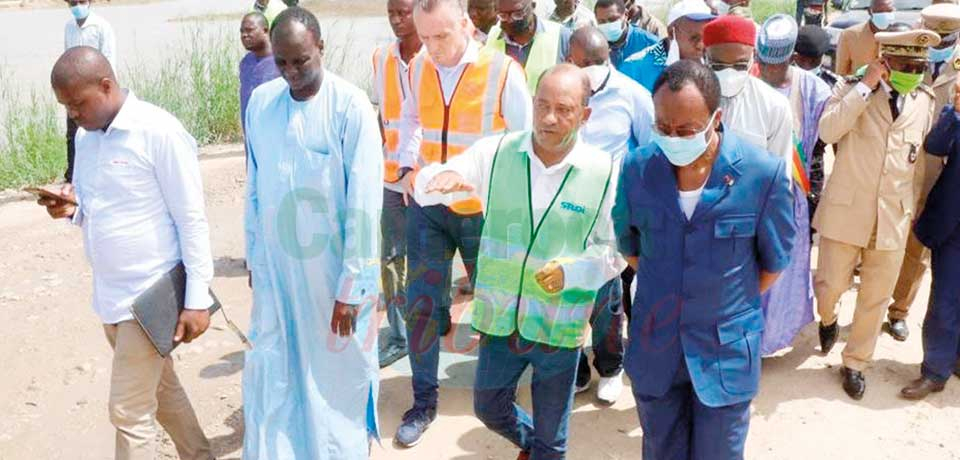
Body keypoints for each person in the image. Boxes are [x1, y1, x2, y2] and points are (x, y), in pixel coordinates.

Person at [417, 63, 620, 460]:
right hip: (500, 317)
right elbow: (455, 169)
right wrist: (443, 176)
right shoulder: (497, 152)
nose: (548, 118)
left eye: (563, 110)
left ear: (585, 115)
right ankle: (536, 447)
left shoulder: (603, 172)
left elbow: (614, 251)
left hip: (558, 327)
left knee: (553, 436)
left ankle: (545, 450)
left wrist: (573, 273)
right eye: (542, 105)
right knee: (488, 407)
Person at [615, 60, 796, 460]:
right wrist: (671, 280)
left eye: (685, 130)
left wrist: (719, 298)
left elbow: (774, 262)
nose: (672, 137)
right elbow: (628, 243)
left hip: (724, 354)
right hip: (656, 348)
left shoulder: (761, 174)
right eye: (663, 128)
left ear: (717, 117)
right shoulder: (637, 168)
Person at [42, 46, 214, 460]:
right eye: (65, 106)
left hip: (149, 297)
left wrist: (197, 301)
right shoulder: (86, 139)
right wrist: (71, 208)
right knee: (161, 390)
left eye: (78, 103)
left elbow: (192, 220)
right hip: (110, 297)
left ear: (106, 86)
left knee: (129, 410)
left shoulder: (160, 132)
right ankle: (200, 455)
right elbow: (98, 207)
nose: (73, 115)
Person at [242, 8, 382, 458]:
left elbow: (364, 202)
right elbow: (255, 191)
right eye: (282, 62)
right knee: (277, 373)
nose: (290, 72)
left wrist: (353, 287)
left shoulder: (350, 105)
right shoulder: (262, 103)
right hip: (278, 274)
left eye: (300, 60)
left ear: (321, 47)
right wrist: (256, 261)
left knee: (335, 379)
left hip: (332, 278)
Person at [394, 0, 532, 447]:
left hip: (481, 213)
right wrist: (409, 170)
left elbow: (525, 144)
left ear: (467, 25)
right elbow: (411, 120)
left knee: (494, 309)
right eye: (426, 37)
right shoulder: (418, 67)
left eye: (442, 36)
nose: (433, 47)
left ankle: (500, 399)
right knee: (421, 304)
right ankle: (423, 402)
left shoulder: (504, 72)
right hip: (429, 208)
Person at [815, 27, 939, 400]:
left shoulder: (924, 100)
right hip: (847, 211)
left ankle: (856, 363)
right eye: (906, 64)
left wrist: (913, 209)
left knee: (875, 297)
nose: (913, 72)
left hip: (893, 217)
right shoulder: (851, 90)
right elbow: (828, 129)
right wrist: (865, 87)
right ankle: (828, 318)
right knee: (829, 287)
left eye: (919, 65)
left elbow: (914, 163)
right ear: (885, 61)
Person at [565, 26, 653, 403]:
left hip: (611, 214)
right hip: (565, 210)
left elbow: (652, 149)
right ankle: (578, 369)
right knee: (568, 293)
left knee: (607, 298)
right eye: (583, 63)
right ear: (571, 61)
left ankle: (611, 366)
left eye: (597, 63)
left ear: (608, 60)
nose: (590, 70)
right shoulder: (561, 90)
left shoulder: (633, 95)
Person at [756, 14, 832, 353]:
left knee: (784, 270)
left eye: (776, 64)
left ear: (792, 57)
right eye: (764, 63)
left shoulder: (814, 89)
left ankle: (776, 335)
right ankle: (751, 339)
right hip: (752, 195)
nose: (769, 71)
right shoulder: (748, 81)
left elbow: (823, 141)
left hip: (791, 194)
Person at [887, 3, 960, 342]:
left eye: (946, 37)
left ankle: (899, 310)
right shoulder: (908, 48)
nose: (939, 43)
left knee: (918, 248)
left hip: (935, 172)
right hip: (895, 161)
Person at [900, 79, 960, 400]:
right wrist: (954, 114)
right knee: (945, 298)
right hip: (954, 225)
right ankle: (935, 371)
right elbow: (934, 146)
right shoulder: (957, 113)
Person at [372, 0, 423, 368]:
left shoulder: (437, 57)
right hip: (392, 179)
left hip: (433, 179)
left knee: (433, 257)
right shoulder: (380, 58)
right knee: (391, 258)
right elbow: (381, 113)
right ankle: (400, 334)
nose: (396, 20)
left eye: (403, 12)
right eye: (392, 13)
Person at [63, 0, 116, 183]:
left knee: (98, 132)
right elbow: (67, 59)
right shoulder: (69, 27)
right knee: (73, 134)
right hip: (73, 90)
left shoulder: (101, 26)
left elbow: (109, 59)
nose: (77, 5)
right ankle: (73, 176)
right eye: (73, 2)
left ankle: (102, 173)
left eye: (81, 1)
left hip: (94, 92)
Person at [793, 24, 838, 220]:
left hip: (813, 167)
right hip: (782, 159)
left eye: (813, 61)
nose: (807, 66)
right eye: (802, 61)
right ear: (795, 57)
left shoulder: (833, 86)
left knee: (808, 221)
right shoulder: (781, 79)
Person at [620, 0, 714, 92]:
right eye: (694, 38)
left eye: (706, 36)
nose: (701, 45)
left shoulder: (716, 65)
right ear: (671, 33)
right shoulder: (634, 68)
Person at [486, 0, 571, 93]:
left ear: (533, 6)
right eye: (503, 16)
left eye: (518, 14)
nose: (510, 20)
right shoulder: (489, 37)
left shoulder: (562, 37)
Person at [239, 12, 280, 133]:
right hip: (251, 135)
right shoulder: (246, 63)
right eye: (241, 31)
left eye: (249, 30)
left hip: (275, 134)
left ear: (265, 31)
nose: (244, 35)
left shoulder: (281, 62)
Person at [834, 0, 895, 75]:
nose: (885, 15)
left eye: (889, 11)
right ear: (870, 11)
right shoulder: (849, 35)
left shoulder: (901, 35)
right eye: (879, 11)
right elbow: (841, 73)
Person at [594, 0, 658, 69]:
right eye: (601, 21)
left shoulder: (651, 44)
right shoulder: (593, 43)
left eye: (612, 19)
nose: (608, 25)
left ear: (626, 15)